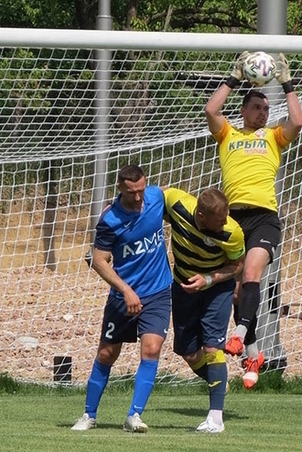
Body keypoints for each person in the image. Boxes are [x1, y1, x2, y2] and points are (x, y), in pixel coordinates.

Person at [204, 52, 302, 389]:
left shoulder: (274, 136)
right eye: (257, 108)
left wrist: (286, 82)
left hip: (263, 218)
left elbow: (298, 121)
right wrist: (234, 77)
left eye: (266, 109)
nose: (263, 113)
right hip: (231, 220)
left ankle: (240, 334)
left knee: (251, 274)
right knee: (235, 291)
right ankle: (253, 354)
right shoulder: (228, 134)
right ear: (244, 110)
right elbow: (210, 110)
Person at [71, 165, 172, 433]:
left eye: (141, 190)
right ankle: (89, 415)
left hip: (158, 291)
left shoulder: (156, 197)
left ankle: (134, 416)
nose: (138, 197)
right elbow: (99, 260)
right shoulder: (110, 220)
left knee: (151, 349)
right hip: (124, 295)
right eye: (131, 193)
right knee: (107, 353)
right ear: (120, 189)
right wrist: (126, 290)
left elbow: (173, 198)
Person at [163, 186, 244, 433]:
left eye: (226, 217)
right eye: (219, 220)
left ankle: (215, 419)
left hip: (216, 287)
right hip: (183, 285)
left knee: (212, 346)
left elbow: (237, 266)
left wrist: (208, 280)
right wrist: (116, 208)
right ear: (201, 216)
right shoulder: (178, 204)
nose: (225, 223)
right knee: (188, 352)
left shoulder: (232, 232)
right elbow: (152, 196)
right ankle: (216, 381)